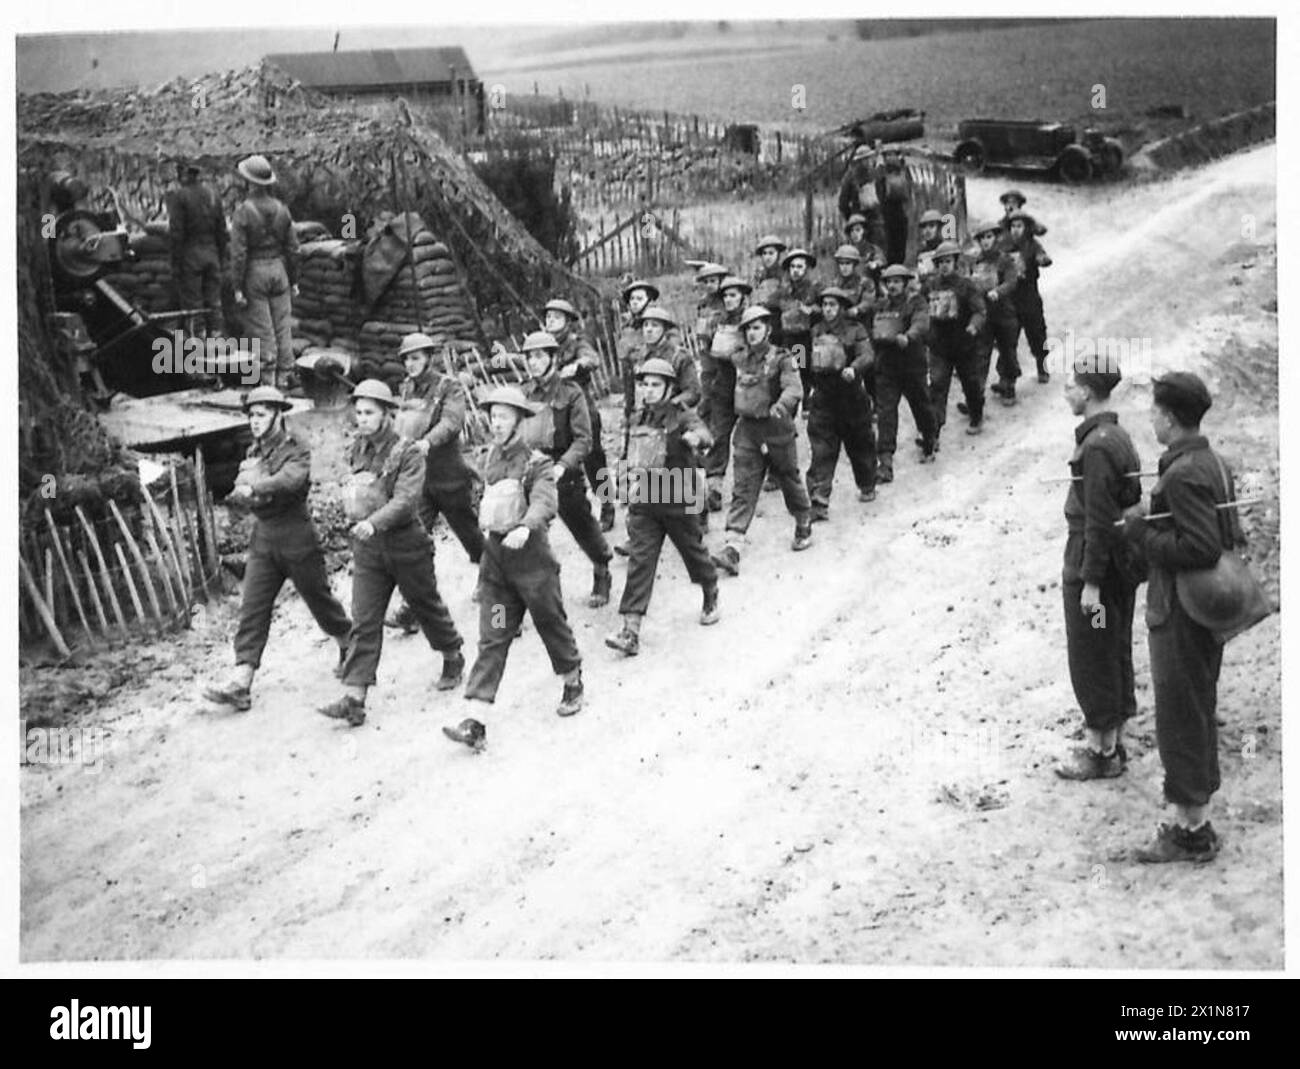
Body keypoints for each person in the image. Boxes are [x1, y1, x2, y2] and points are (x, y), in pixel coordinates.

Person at [1120, 372, 1238, 863]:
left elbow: (1201, 546)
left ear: (1168, 418)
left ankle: (1191, 830)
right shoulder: (1211, 462)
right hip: (1203, 608)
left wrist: (1140, 531)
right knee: (1197, 705)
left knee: (1180, 714)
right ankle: (1196, 815)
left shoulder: (1184, 472)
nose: (1150, 419)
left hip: (1180, 610)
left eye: (1153, 412)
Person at [442, 386, 584, 750]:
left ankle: (571, 680)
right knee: (495, 635)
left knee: (551, 624)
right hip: (499, 567)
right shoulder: (490, 458)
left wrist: (525, 526)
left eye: (504, 416)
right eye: (493, 416)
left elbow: (544, 501)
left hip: (532, 564)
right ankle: (476, 719)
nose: (496, 423)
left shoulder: (536, 463)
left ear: (520, 420)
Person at [318, 380, 465, 728]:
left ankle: (452, 654)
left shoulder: (407, 451)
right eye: (358, 413)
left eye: (369, 412)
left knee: (426, 606)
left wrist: (373, 521)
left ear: (387, 415)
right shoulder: (358, 450)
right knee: (365, 619)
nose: (363, 419)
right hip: (369, 550)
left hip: (406, 545)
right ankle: (355, 697)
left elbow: (406, 500)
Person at [202, 386, 352, 711]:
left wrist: (253, 487)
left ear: (277, 414)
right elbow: (242, 492)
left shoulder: (295, 447)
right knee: (252, 607)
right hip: (264, 539)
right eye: (251, 415)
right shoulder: (252, 452)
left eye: (261, 415)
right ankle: (241, 681)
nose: (255, 422)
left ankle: (347, 640)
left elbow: (291, 480)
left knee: (319, 600)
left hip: (297, 536)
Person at [1054, 363, 1143, 782]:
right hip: (1112, 566)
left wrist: (1089, 583)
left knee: (1093, 649)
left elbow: (1099, 521)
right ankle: (1112, 734)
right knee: (1111, 643)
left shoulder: (1097, 447)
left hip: (1095, 570)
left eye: (1071, 386)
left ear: (1088, 392)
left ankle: (1100, 749)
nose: (1066, 393)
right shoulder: (1114, 436)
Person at [606, 359, 719, 656]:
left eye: (656, 384)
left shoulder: (681, 415)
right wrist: (619, 487)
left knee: (693, 553)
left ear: (669, 387)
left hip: (678, 497)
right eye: (645, 384)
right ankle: (630, 630)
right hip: (645, 500)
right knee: (640, 561)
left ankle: (710, 589)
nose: (649, 390)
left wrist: (695, 438)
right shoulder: (636, 417)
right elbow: (626, 454)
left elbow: (706, 435)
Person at [385, 332, 484, 634]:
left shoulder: (447, 386)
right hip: (419, 483)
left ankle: (498, 590)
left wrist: (428, 442)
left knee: (472, 538)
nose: (411, 364)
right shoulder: (404, 390)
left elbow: (452, 422)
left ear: (428, 357)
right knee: (414, 543)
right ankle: (414, 607)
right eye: (406, 359)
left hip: (450, 477)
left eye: (416, 358)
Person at [710, 305, 813, 575]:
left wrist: (781, 405)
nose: (752, 333)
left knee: (789, 479)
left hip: (776, 428)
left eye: (757, 327)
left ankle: (803, 519)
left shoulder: (784, 357)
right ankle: (733, 546)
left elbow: (795, 386)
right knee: (743, 487)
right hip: (747, 431)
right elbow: (718, 358)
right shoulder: (740, 359)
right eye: (748, 329)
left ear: (768, 329)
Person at [517, 331, 615, 608]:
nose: (533, 363)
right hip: (532, 470)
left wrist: (562, 466)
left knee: (582, 526)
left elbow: (584, 439)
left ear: (553, 358)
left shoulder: (571, 392)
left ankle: (602, 567)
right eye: (528, 357)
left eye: (538, 356)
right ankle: (527, 596)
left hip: (564, 470)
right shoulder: (524, 393)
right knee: (525, 530)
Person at [804, 287, 878, 519]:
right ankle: (819, 501)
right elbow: (802, 356)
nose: (828, 309)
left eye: (833, 305)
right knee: (821, 449)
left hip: (851, 396)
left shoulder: (855, 330)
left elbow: (867, 354)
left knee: (860, 444)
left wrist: (853, 369)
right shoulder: (815, 330)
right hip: (823, 397)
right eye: (825, 305)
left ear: (843, 308)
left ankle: (867, 484)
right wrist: (801, 373)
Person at [543, 298, 615, 532]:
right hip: (558, 413)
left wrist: (577, 366)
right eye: (548, 317)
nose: (551, 320)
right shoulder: (544, 345)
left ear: (567, 322)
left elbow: (591, 358)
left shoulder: (577, 343)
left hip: (583, 409)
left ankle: (607, 504)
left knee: (594, 460)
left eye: (556, 317)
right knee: (566, 462)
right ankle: (580, 511)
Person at [230, 154, 299, 388]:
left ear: (248, 182)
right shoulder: (283, 210)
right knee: (283, 326)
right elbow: (293, 248)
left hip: (255, 272)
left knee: (262, 330)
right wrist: (294, 280)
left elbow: (238, 254)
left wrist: (237, 287)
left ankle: (268, 383)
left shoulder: (243, 212)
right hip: (280, 270)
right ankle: (286, 377)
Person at [870, 263, 936, 483]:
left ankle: (929, 438)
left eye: (897, 281)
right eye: (889, 282)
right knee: (886, 414)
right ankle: (885, 462)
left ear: (906, 283)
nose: (893, 286)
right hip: (887, 367)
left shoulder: (916, 302)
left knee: (921, 405)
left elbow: (922, 322)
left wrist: (908, 336)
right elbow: (873, 328)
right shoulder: (880, 305)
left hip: (912, 365)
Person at [922, 241, 987, 441]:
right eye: (940, 262)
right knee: (937, 387)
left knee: (970, 383)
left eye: (948, 261)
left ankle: (976, 416)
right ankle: (933, 432)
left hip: (964, 344)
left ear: (955, 262)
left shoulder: (966, 286)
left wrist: (974, 326)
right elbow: (920, 309)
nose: (944, 266)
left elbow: (980, 310)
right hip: (939, 346)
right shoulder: (930, 286)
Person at [701, 276, 750, 513]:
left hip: (747, 384)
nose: (729, 300)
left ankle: (771, 474)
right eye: (726, 296)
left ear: (743, 296)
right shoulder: (717, 321)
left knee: (753, 436)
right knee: (719, 435)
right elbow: (708, 353)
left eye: (733, 295)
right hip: (722, 385)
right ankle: (714, 488)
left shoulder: (752, 319)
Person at [167, 161, 228, 338]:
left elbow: (176, 234)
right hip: (212, 255)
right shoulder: (213, 195)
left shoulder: (180, 196)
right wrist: (221, 257)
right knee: (214, 303)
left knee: (193, 305)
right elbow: (222, 231)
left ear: (183, 175)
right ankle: (217, 339)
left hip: (191, 255)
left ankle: (198, 342)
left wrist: (175, 264)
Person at [968, 219, 1023, 406]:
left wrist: (997, 292)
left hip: (1005, 314)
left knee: (1008, 352)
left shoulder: (1005, 260)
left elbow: (1011, 281)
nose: (985, 241)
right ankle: (976, 398)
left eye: (989, 237)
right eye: (982, 238)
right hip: (985, 315)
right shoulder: (976, 262)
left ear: (997, 238)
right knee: (980, 356)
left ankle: (1008, 386)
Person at [1003, 208, 1054, 385]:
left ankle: (1042, 366)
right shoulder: (1004, 246)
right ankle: (1008, 382)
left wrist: (1042, 259)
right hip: (1010, 298)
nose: (1015, 230)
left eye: (1019, 226)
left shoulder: (1033, 245)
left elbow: (1043, 256)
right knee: (1008, 340)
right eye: (1012, 226)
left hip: (1029, 296)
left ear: (1026, 228)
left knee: (1037, 334)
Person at [775, 248, 820, 407]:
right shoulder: (783, 289)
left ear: (806, 268)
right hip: (786, 333)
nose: (795, 270)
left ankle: (806, 398)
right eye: (793, 266)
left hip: (803, 335)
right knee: (788, 367)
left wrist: (811, 309)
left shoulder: (813, 288)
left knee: (802, 367)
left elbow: (824, 307)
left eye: (800, 267)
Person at [873, 146, 914, 265]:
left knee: (891, 245)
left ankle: (892, 268)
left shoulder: (882, 174)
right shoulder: (901, 171)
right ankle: (898, 267)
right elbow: (909, 188)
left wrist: (878, 160)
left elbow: (878, 189)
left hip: (888, 214)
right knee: (899, 245)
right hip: (899, 214)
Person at [914, 208, 947, 286]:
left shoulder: (946, 249)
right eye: (924, 227)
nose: (927, 230)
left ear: (939, 228)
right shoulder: (921, 253)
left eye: (932, 226)